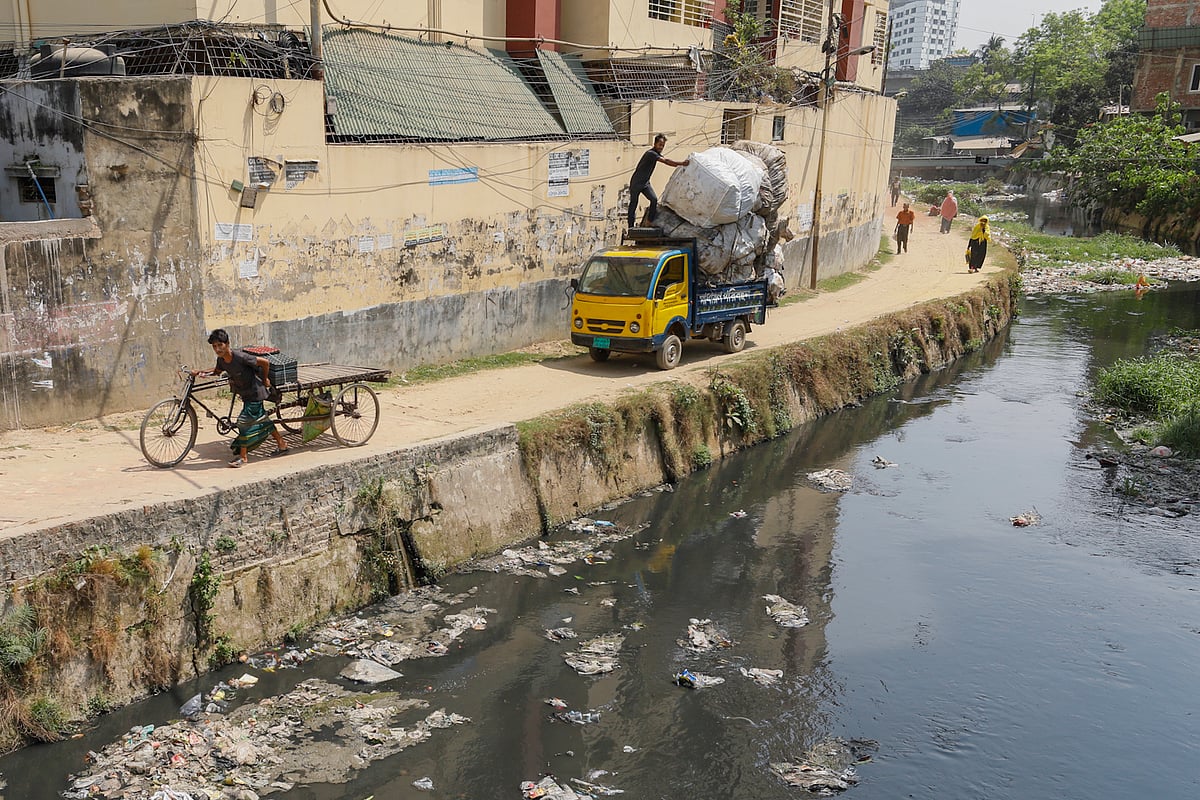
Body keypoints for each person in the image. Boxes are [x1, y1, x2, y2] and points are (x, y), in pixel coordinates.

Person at [192, 329, 288, 467]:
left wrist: (265, 379)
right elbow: (216, 371)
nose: (217, 349)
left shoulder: (241, 357)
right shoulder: (221, 360)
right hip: (245, 394)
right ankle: (282, 444)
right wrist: (200, 372)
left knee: (243, 422)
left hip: (256, 392)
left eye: (220, 345)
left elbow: (264, 362)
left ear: (227, 344)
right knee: (263, 420)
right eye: (214, 346)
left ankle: (243, 458)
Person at [627, 134, 689, 229]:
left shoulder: (656, 154)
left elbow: (666, 160)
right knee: (634, 204)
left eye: (663, 145)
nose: (661, 147)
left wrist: (680, 164)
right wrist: (682, 164)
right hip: (636, 182)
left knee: (654, 199)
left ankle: (649, 221)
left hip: (645, 183)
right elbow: (666, 161)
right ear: (655, 144)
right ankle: (630, 227)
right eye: (660, 145)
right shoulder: (651, 154)